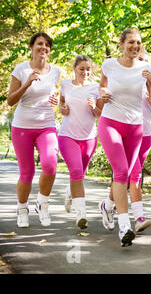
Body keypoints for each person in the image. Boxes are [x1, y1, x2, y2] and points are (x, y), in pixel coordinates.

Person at [97, 28, 151, 247]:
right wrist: (103, 93)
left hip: (135, 128)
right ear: (121, 44)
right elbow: (102, 86)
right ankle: (124, 226)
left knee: (123, 175)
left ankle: (107, 206)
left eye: (139, 43)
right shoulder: (109, 65)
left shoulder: (146, 68)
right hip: (110, 122)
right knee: (122, 172)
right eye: (131, 42)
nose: (135, 46)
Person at [7, 32, 61, 228]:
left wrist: (55, 100)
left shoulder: (55, 71)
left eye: (47, 45)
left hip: (46, 125)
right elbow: (10, 100)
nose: (44, 48)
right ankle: (22, 209)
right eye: (40, 44)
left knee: (50, 165)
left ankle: (42, 204)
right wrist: (27, 83)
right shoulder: (20, 70)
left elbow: (53, 94)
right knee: (27, 173)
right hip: (22, 126)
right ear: (31, 47)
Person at [58, 54, 103, 229]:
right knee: (76, 171)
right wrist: (63, 108)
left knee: (80, 175)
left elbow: (100, 115)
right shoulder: (65, 85)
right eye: (81, 69)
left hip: (89, 138)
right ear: (75, 69)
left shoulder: (96, 88)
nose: (85, 72)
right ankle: (81, 214)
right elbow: (62, 105)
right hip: (67, 135)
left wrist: (93, 107)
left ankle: (70, 193)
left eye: (88, 69)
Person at [127, 50, 151, 232]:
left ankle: (108, 205)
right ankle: (138, 217)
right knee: (135, 175)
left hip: (146, 135)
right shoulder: (126, 81)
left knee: (128, 175)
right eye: (139, 59)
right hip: (128, 133)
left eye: (146, 60)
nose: (143, 63)